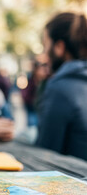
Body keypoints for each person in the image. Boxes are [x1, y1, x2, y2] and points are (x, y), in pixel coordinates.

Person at [36, 12, 87, 160]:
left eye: (46, 45)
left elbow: (46, 150)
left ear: (59, 47)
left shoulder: (60, 88)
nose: (45, 53)